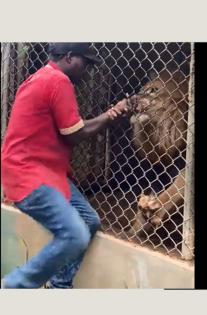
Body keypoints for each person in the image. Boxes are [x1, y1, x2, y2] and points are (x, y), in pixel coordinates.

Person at [1, 43, 136, 289]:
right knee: (75, 234)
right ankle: (14, 287)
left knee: (89, 221)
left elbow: (66, 133)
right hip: (30, 174)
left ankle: (59, 285)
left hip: (45, 172)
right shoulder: (57, 81)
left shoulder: (41, 77)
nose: (88, 71)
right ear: (69, 57)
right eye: (86, 63)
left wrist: (109, 114)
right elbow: (74, 133)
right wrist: (113, 113)